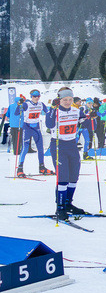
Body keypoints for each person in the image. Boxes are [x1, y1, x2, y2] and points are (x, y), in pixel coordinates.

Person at [46, 87, 91, 220]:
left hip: (72, 145)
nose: (67, 102)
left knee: (74, 176)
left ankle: (68, 204)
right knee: (63, 177)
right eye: (64, 99)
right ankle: (60, 208)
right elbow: (49, 124)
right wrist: (53, 109)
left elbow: (86, 123)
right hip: (59, 145)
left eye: (70, 99)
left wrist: (89, 118)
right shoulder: (55, 111)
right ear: (59, 100)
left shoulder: (76, 111)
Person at [16, 89, 54, 177]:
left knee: (40, 148)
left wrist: (54, 107)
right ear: (31, 96)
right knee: (25, 148)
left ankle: (42, 167)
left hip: (36, 128)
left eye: (38, 96)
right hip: (27, 128)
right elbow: (16, 113)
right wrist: (19, 105)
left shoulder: (41, 104)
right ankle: (20, 169)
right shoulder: (26, 104)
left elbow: (49, 113)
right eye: (34, 96)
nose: (36, 98)